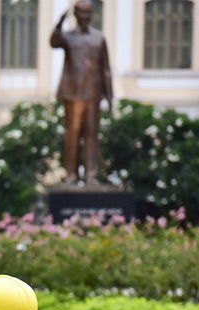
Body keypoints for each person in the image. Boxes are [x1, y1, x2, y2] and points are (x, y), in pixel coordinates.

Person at [50, 0, 113, 184]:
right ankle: (71, 175)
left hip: (93, 94)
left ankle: (91, 175)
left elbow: (106, 69)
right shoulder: (68, 37)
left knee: (92, 135)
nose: (85, 17)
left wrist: (109, 96)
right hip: (73, 93)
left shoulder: (98, 38)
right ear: (76, 15)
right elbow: (53, 42)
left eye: (88, 13)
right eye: (82, 13)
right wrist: (59, 24)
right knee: (73, 134)